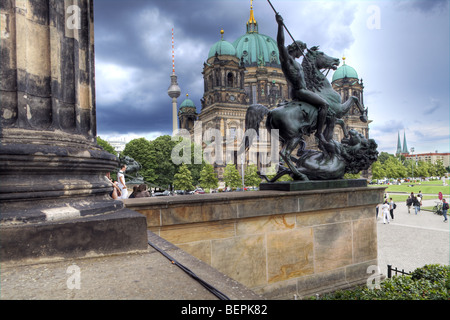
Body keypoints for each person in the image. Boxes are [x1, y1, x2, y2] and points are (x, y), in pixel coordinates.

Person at [275, 13, 329, 149]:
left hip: (302, 90)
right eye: (302, 50)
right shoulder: (287, 61)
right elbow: (280, 44)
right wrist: (280, 25)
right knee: (324, 104)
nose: (302, 54)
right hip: (299, 92)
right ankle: (319, 134)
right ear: (296, 49)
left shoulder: (297, 64)